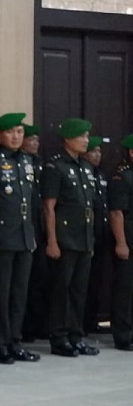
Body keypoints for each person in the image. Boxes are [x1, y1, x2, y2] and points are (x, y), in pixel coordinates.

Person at [0, 113, 40, 364]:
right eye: (10, 132)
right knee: (0, 293)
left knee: (19, 292)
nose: (16, 137)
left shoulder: (27, 161)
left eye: (20, 132)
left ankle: (15, 340)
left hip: (24, 235)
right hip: (1, 235)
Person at [40, 117, 100, 357]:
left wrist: (90, 239)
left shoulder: (85, 167)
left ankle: (76, 335)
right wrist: (52, 241)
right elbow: (49, 207)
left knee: (78, 291)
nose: (86, 140)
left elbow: (89, 206)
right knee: (60, 291)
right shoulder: (55, 167)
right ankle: (59, 337)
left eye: (87, 136)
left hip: (83, 238)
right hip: (64, 238)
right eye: (82, 136)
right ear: (67, 139)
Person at [21, 123, 49, 341]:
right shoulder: (17, 162)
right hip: (21, 227)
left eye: (37, 140)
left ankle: (38, 325)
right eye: (31, 139)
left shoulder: (40, 163)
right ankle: (24, 328)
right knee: (24, 283)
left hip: (38, 228)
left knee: (39, 279)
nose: (35, 143)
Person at [82, 135, 111, 334]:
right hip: (84, 235)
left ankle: (92, 321)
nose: (97, 155)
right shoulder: (82, 173)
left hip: (101, 235)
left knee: (96, 281)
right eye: (93, 151)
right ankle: (81, 323)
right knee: (83, 283)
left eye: (99, 151)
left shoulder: (100, 174)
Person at [108, 134, 133, 351]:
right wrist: (121, 243)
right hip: (129, 242)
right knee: (125, 290)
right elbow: (116, 212)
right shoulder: (122, 177)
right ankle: (123, 335)